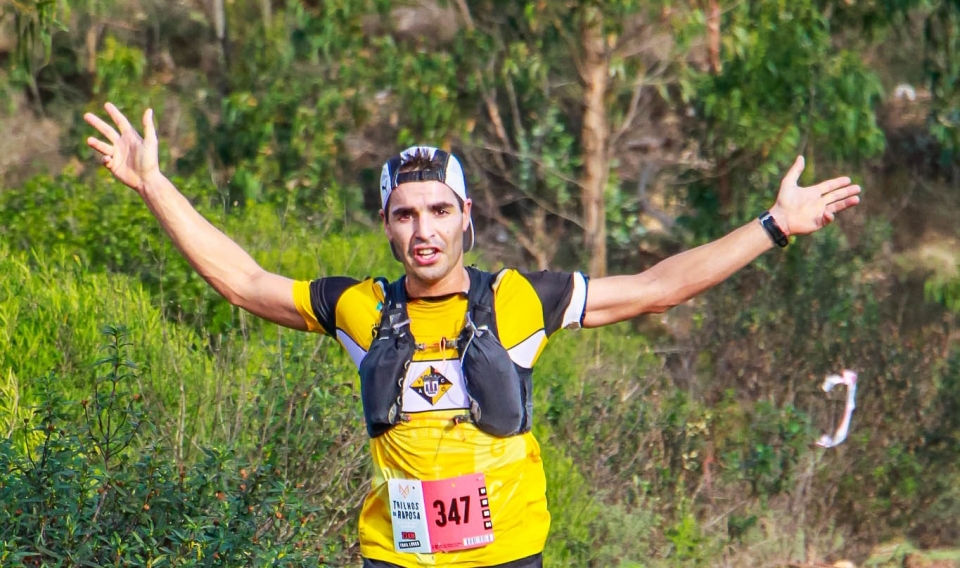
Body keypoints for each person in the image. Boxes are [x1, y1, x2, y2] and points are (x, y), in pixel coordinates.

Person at [84, 102, 861, 568]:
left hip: (509, 553)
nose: (424, 230)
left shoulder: (522, 299)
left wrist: (774, 226)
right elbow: (244, 282)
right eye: (405, 214)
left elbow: (658, 288)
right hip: (396, 554)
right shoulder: (358, 306)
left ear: (467, 217)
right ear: (388, 228)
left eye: (438, 210)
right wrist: (155, 184)